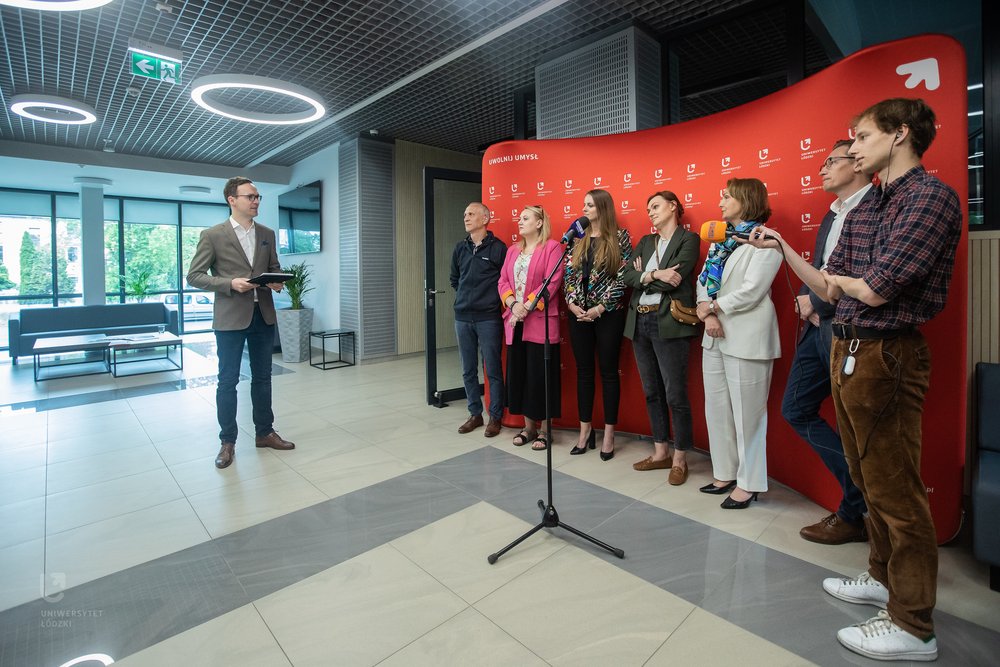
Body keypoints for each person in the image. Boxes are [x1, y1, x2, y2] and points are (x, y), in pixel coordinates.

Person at [821, 99, 960, 661]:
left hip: (889, 354)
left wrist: (852, 282)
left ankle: (913, 624)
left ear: (900, 134)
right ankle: (881, 576)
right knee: (868, 480)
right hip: (850, 349)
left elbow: (877, 286)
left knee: (898, 492)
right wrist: (850, 282)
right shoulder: (869, 204)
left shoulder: (932, 197)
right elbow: (838, 285)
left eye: (860, 136)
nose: (851, 148)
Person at [742, 141, 873, 543]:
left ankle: (855, 512)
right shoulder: (831, 215)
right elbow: (820, 267)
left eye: (831, 161)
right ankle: (858, 499)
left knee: (857, 429)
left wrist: (815, 300)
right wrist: (806, 299)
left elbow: (858, 279)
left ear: (859, 163)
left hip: (849, 331)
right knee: (795, 408)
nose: (822, 169)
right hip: (817, 328)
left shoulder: (875, 210)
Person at [187, 176, 295, 469]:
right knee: (228, 381)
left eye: (258, 196)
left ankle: (265, 433)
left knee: (263, 378)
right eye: (250, 196)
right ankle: (228, 442)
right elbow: (194, 276)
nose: (256, 201)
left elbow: (274, 268)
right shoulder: (213, 235)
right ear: (232, 200)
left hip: (263, 315)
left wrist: (276, 282)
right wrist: (230, 283)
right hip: (230, 317)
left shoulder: (267, 233)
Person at [695, 177, 781, 508]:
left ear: (745, 200)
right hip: (714, 334)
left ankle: (749, 483)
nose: (720, 201)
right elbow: (705, 281)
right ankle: (725, 472)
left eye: (726, 196)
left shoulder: (767, 239)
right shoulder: (720, 240)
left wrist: (715, 306)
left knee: (749, 416)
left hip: (747, 337)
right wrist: (708, 313)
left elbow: (753, 290)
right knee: (716, 409)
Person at [622, 191, 699, 485]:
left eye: (655, 206)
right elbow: (628, 276)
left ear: (673, 207)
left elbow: (678, 278)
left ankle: (680, 459)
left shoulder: (688, 240)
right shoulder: (645, 241)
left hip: (669, 323)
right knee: (651, 391)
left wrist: (646, 275)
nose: (650, 212)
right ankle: (660, 453)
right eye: (647, 208)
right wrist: (656, 274)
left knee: (675, 394)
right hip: (639, 321)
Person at [563, 189, 632, 461]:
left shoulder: (620, 237)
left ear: (603, 208)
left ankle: (609, 434)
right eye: (584, 205)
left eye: (589, 205)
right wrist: (571, 302)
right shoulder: (577, 238)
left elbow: (623, 277)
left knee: (608, 372)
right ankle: (585, 431)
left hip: (608, 315)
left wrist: (599, 308)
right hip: (577, 314)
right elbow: (568, 273)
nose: (585, 209)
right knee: (583, 372)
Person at [498, 206, 564, 450]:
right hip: (515, 322)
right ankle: (528, 427)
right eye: (519, 218)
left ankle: (546, 431)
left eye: (525, 218)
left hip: (540, 323)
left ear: (539, 223)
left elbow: (553, 281)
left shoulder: (552, 247)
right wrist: (513, 304)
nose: (520, 221)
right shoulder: (512, 251)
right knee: (521, 375)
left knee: (540, 377)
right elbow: (503, 280)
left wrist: (527, 306)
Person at [450, 202, 507, 437]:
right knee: (467, 369)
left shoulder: (498, 248)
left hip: (488, 318)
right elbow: (455, 279)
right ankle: (475, 414)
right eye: (464, 214)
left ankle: (495, 417)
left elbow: (505, 283)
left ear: (485, 218)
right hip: (463, 317)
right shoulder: (459, 249)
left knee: (492, 368)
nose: (466, 217)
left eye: (471, 214)